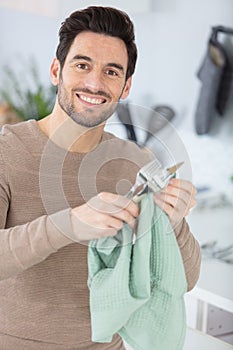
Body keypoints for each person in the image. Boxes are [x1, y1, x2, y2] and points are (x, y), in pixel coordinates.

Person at [0, 6, 201, 350]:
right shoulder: (7, 151)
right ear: (55, 71)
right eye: (82, 65)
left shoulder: (136, 163)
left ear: (125, 87)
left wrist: (175, 224)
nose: (95, 83)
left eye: (111, 72)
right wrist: (69, 225)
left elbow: (186, 279)